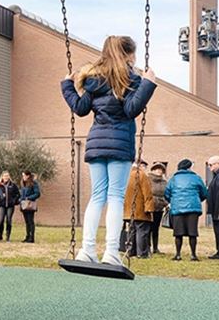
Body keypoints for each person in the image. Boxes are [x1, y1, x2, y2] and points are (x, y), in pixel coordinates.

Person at [61, 35, 157, 265]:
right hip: (120, 144)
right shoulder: (129, 79)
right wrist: (148, 84)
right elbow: (132, 109)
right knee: (114, 197)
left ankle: (87, 250)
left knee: (97, 196)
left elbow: (81, 109)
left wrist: (67, 85)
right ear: (128, 54)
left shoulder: (94, 81)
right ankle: (112, 253)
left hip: (96, 143)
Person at [164, 159, 208, 261]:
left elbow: (167, 193)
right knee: (193, 233)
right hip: (193, 209)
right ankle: (193, 255)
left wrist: (174, 201)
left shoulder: (173, 179)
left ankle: (178, 254)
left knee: (178, 233)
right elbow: (204, 193)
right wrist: (196, 200)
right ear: (189, 167)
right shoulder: (196, 178)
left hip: (177, 209)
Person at [123, 161, 154, 258]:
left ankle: (131, 252)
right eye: (145, 166)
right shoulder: (141, 175)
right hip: (140, 209)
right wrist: (149, 208)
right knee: (142, 231)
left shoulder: (125, 175)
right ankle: (142, 253)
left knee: (132, 231)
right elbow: (147, 192)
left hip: (128, 210)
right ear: (140, 165)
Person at [147, 162, 168, 254]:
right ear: (153, 170)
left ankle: (155, 248)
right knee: (148, 228)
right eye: (157, 169)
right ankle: (147, 247)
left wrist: (166, 203)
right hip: (149, 207)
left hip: (160, 208)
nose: (159, 171)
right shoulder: (147, 180)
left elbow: (166, 194)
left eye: (161, 170)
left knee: (156, 228)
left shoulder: (164, 182)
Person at [0, 171, 20, 242]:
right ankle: (0, 236)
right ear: (2, 177)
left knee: (9, 220)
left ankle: (8, 237)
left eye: (7, 176)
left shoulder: (13, 185)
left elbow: (18, 194)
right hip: (2, 205)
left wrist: (14, 201)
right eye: (5, 176)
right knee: (1, 221)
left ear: (9, 177)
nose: (6, 177)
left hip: (10, 206)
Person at [20, 171, 41, 243]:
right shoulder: (23, 184)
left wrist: (29, 198)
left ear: (28, 176)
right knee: (26, 222)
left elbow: (37, 193)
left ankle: (32, 237)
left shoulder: (33, 183)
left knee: (30, 221)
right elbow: (22, 193)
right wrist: (20, 199)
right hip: (24, 205)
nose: (23, 177)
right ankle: (27, 236)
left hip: (30, 204)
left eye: (24, 175)